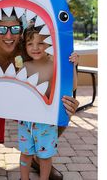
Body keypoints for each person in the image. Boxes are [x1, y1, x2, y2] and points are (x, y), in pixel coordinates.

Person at [0, 11, 79, 179]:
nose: (9, 35)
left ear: (21, 30)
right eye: (3, 29)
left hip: (19, 103)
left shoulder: (28, 48)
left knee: (62, 107)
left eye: (15, 29)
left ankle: (38, 154)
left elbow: (53, 60)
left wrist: (72, 64)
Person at [18, 24, 78, 180]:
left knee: (45, 156)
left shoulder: (55, 64)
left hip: (47, 120)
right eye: (30, 43)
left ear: (49, 44)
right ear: (25, 46)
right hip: (26, 120)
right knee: (25, 153)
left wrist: (71, 66)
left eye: (41, 43)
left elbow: (72, 86)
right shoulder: (24, 66)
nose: (35, 47)